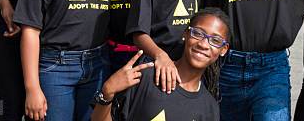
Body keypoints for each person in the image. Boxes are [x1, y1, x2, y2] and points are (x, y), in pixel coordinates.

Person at [92, 8, 229, 121]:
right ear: (185, 34)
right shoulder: (144, 77)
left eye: (216, 40)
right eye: (198, 33)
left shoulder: (210, 108)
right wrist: (107, 92)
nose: (203, 44)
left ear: (224, 49)